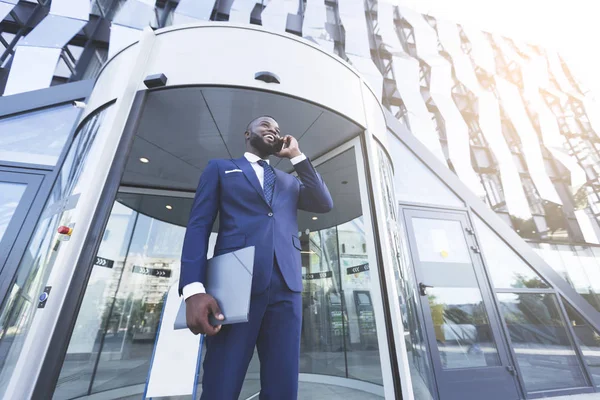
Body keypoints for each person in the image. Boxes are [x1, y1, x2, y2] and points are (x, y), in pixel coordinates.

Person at [179, 116, 333, 399]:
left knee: (283, 383)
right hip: (235, 285)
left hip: (287, 287)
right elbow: (198, 227)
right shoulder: (221, 168)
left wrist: (297, 156)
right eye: (265, 125)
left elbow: (324, 202)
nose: (273, 129)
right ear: (247, 133)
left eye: (277, 128)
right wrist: (193, 290)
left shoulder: (289, 182)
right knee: (221, 380)